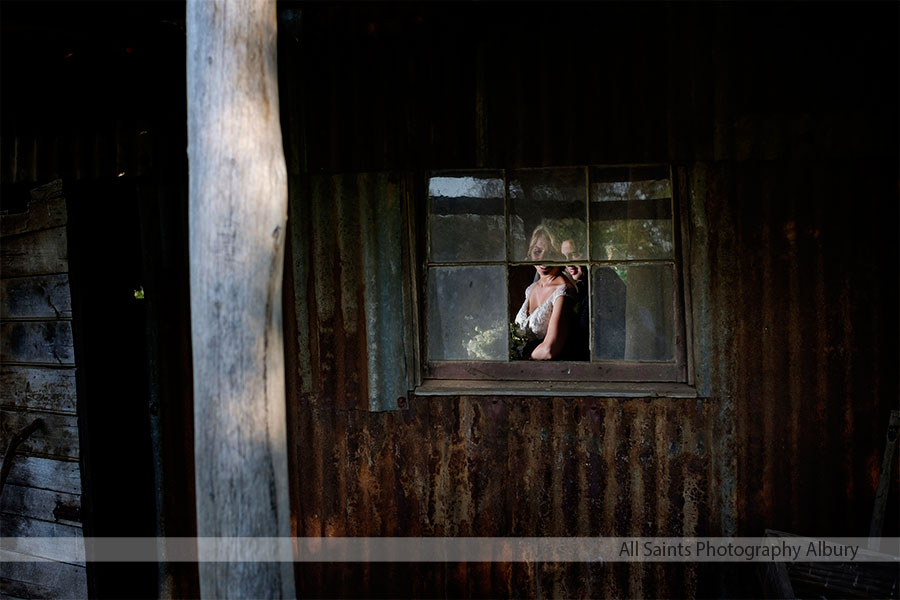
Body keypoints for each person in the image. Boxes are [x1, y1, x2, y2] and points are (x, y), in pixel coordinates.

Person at [513, 227, 574, 360]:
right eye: (538, 251)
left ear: (560, 256)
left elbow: (550, 349)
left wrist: (520, 360)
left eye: (551, 253)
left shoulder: (563, 290)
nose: (543, 259)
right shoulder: (531, 289)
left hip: (544, 370)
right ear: (530, 253)